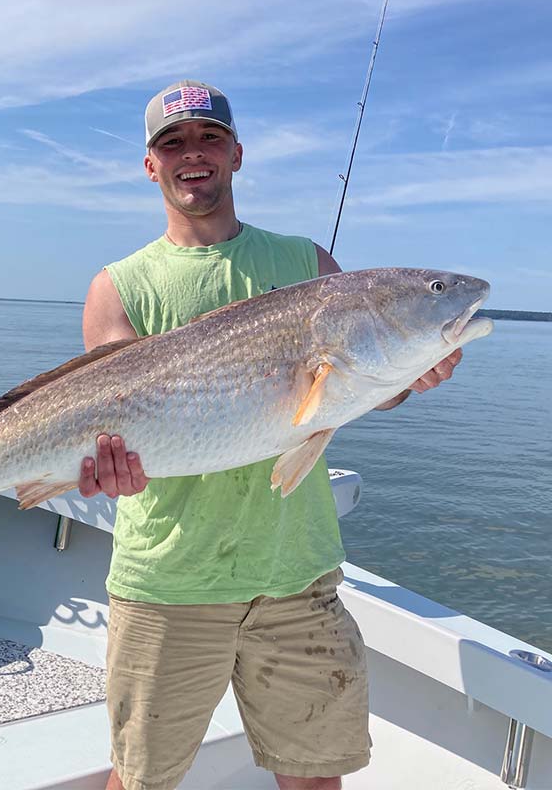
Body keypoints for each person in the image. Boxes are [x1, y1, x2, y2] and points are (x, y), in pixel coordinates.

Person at [79, 80, 462, 790]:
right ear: (151, 166)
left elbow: (349, 386)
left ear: (236, 153)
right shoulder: (118, 286)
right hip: (168, 583)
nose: (193, 154)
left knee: (315, 778)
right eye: (173, 143)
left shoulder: (310, 266)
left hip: (296, 578)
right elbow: (108, 424)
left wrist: (411, 376)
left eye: (208, 138)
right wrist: (103, 468)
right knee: (140, 781)